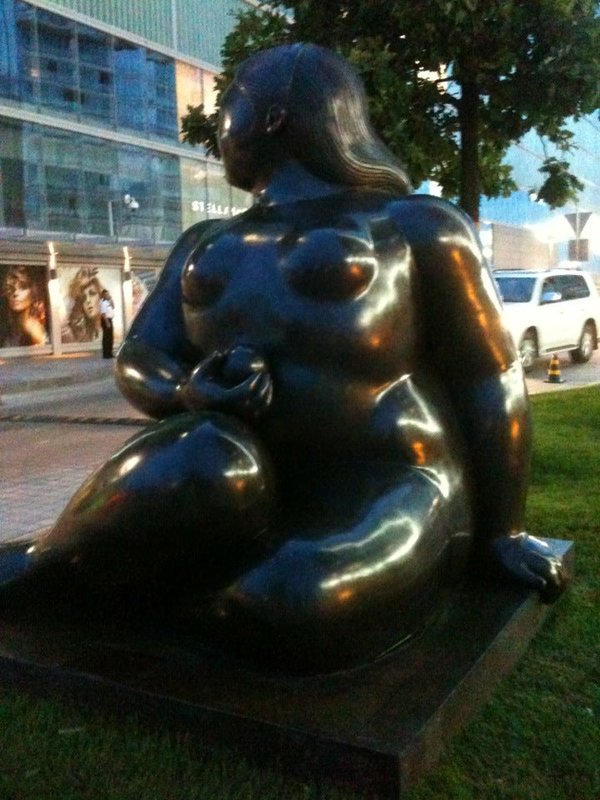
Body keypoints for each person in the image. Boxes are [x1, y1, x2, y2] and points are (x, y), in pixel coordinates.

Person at [0, 45, 566, 673]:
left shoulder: (415, 224)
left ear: (272, 116)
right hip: (241, 468)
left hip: (388, 475)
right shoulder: (205, 241)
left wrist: (503, 533)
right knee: (200, 454)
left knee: (295, 595)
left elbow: (488, 374)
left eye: (228, 105)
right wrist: (188, 389)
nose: (219, 127)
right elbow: (140, 355)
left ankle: (148, 591)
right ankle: (46, 567)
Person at [0, 266, 48, 347]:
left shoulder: (33, 328)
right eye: (11, 288)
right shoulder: (9, 327)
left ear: (33, 292)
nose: (15, 293)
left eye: (22, 287)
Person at [62, 267, 105, 343]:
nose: (88, 301)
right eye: (84, 298)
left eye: (92, 294)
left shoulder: (112, 332)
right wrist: (76, 286)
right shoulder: (83, 336)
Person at [99, 289, 114, 358]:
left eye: (108, 294)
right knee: (107, 337)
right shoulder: (103, 303)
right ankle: (106, 353)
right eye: (106, 294)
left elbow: (113, 306)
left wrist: (111, 299)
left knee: (110, 337)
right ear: (103, 295)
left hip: (109, 319)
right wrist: (107, 322)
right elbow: (103, 314)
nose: (108, 295)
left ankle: (110, 352)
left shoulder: (108, 302)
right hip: (106, 320)